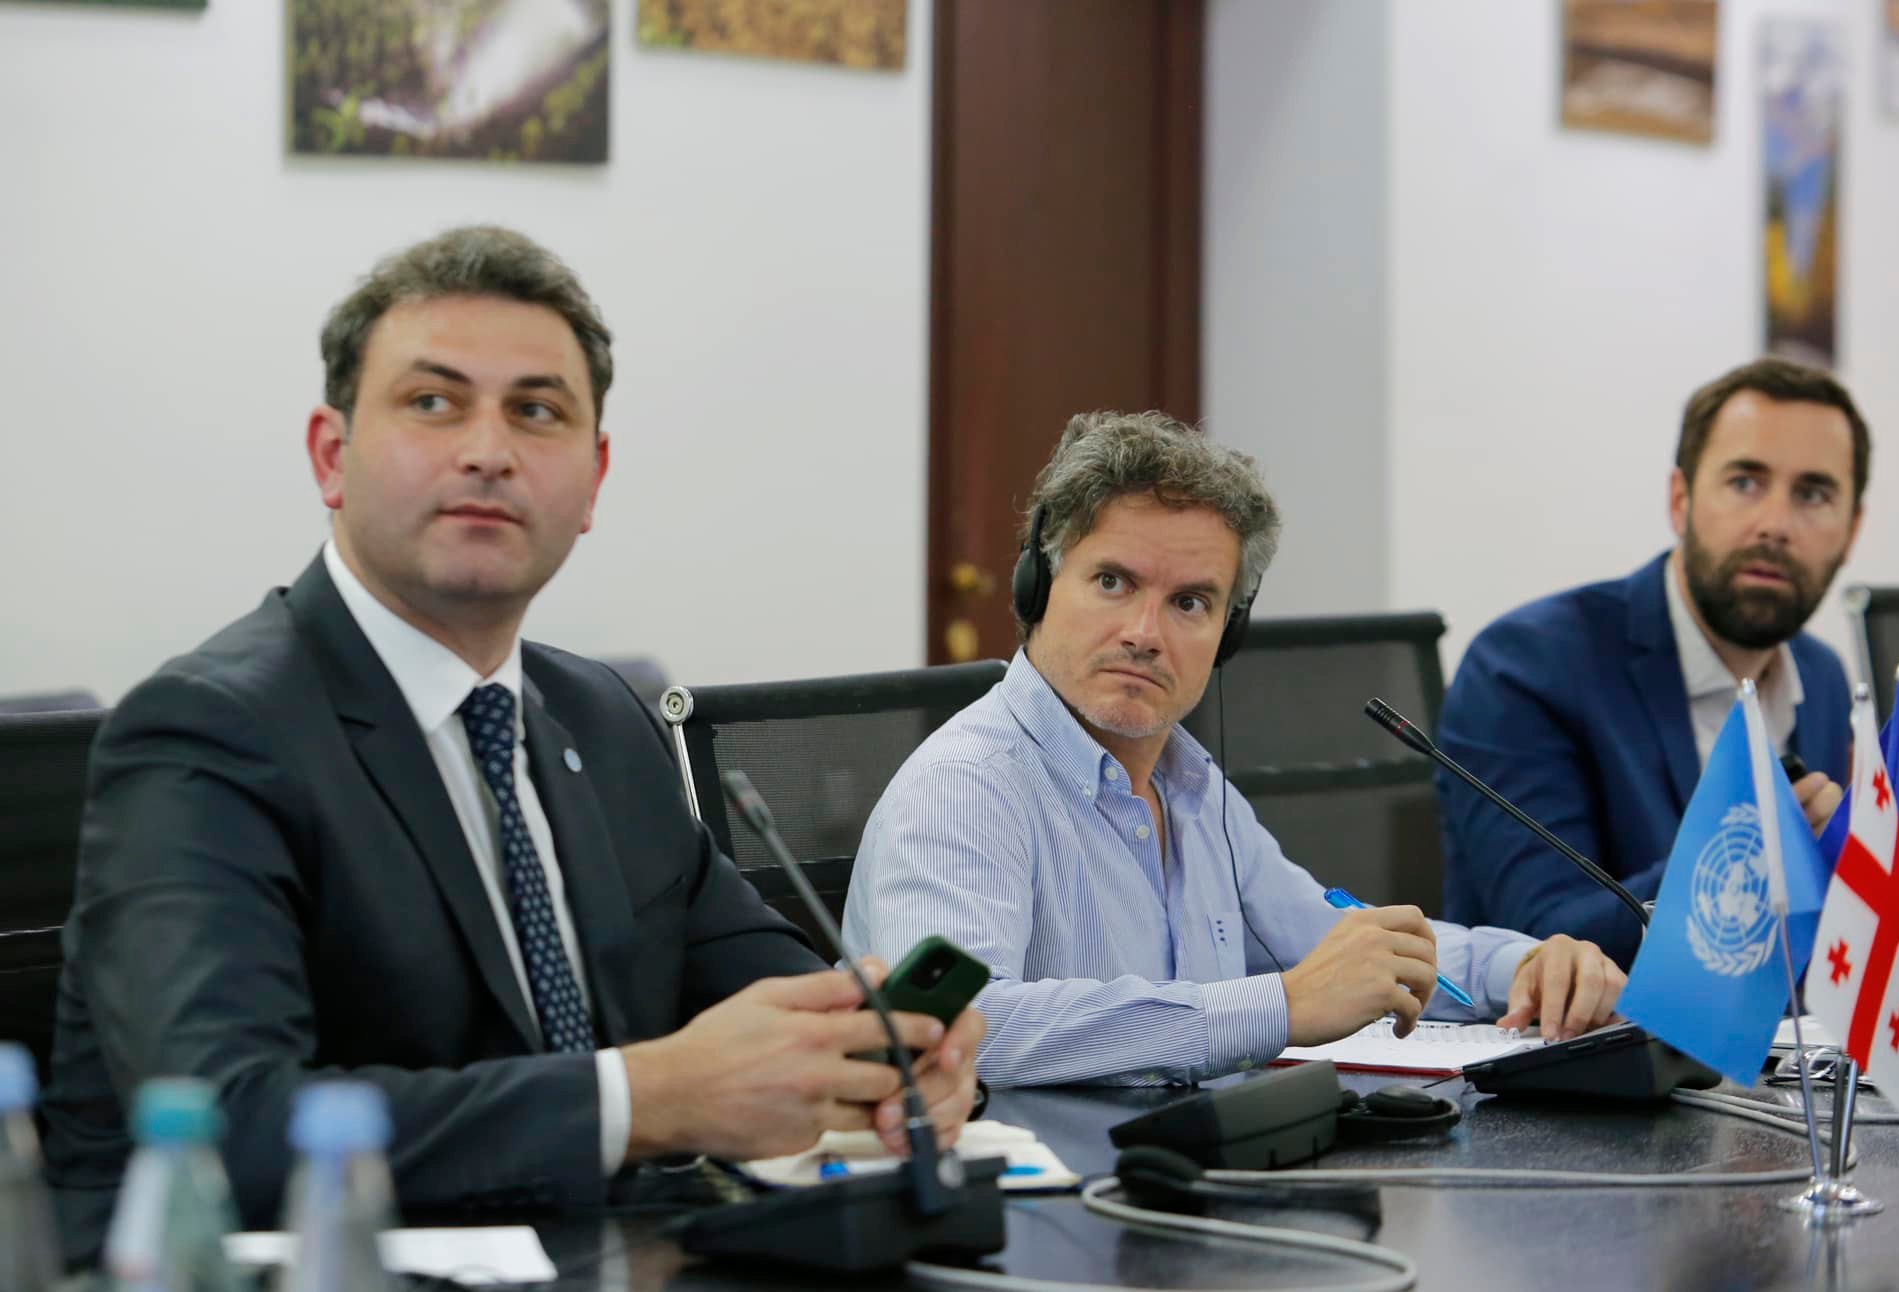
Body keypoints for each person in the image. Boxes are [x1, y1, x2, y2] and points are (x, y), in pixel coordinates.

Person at [40, 227, 982, 1258]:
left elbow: (768, 995)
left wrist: (881, 1054)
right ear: (330, 455)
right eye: (432, 402)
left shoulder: (602, 716)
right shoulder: (205, 733)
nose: (487, 450)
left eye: (536, 411)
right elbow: (232, 1125)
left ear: (594, 478)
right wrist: (645, 1098)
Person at [841, 412, 1624, 1088]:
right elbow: (953, 1026)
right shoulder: (965, 786)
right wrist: (1281, 1005)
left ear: (1229, 634)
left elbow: (1336, 942)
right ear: (1037, 587)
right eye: (1112, 582)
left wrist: (1521, 969)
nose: (1145, 634)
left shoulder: (1190, 786)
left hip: (1188, 1166)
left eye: (1189, 602)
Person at [1438, 358, 1869, 966]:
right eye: (1745, 483)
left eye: (1813, 494)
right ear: (1680, 500)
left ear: (1852, 530)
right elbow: (1542, 938)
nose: (1775, 525)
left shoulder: (1820, 677)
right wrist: (1744, 852)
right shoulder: (1524, 669)